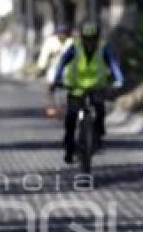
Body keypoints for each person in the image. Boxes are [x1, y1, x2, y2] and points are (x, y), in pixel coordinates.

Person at [53, 21, 124, 164]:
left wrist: (119, 80)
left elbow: (113, 64)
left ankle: (98, 137)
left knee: (99, 110)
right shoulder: (75, 47)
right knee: (71, 118)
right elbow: (62, 62)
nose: (90, 42)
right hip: (76, 87)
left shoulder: (103, 48)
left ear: (97, 38)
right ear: (82, 38)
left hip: (96, 86)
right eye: (87, 38)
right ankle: (69, 147)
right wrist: (58, 79)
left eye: (93, 39)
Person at [36, 23, 71, 117]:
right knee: (50, 87)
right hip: (54, 68)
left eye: (64, 33)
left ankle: (68, 106)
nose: (62, 35)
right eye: (60, 33)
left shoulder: (71, 42)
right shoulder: (51, 42)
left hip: (68, 69)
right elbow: (44, 55)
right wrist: (41, 68)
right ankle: (51, 107)